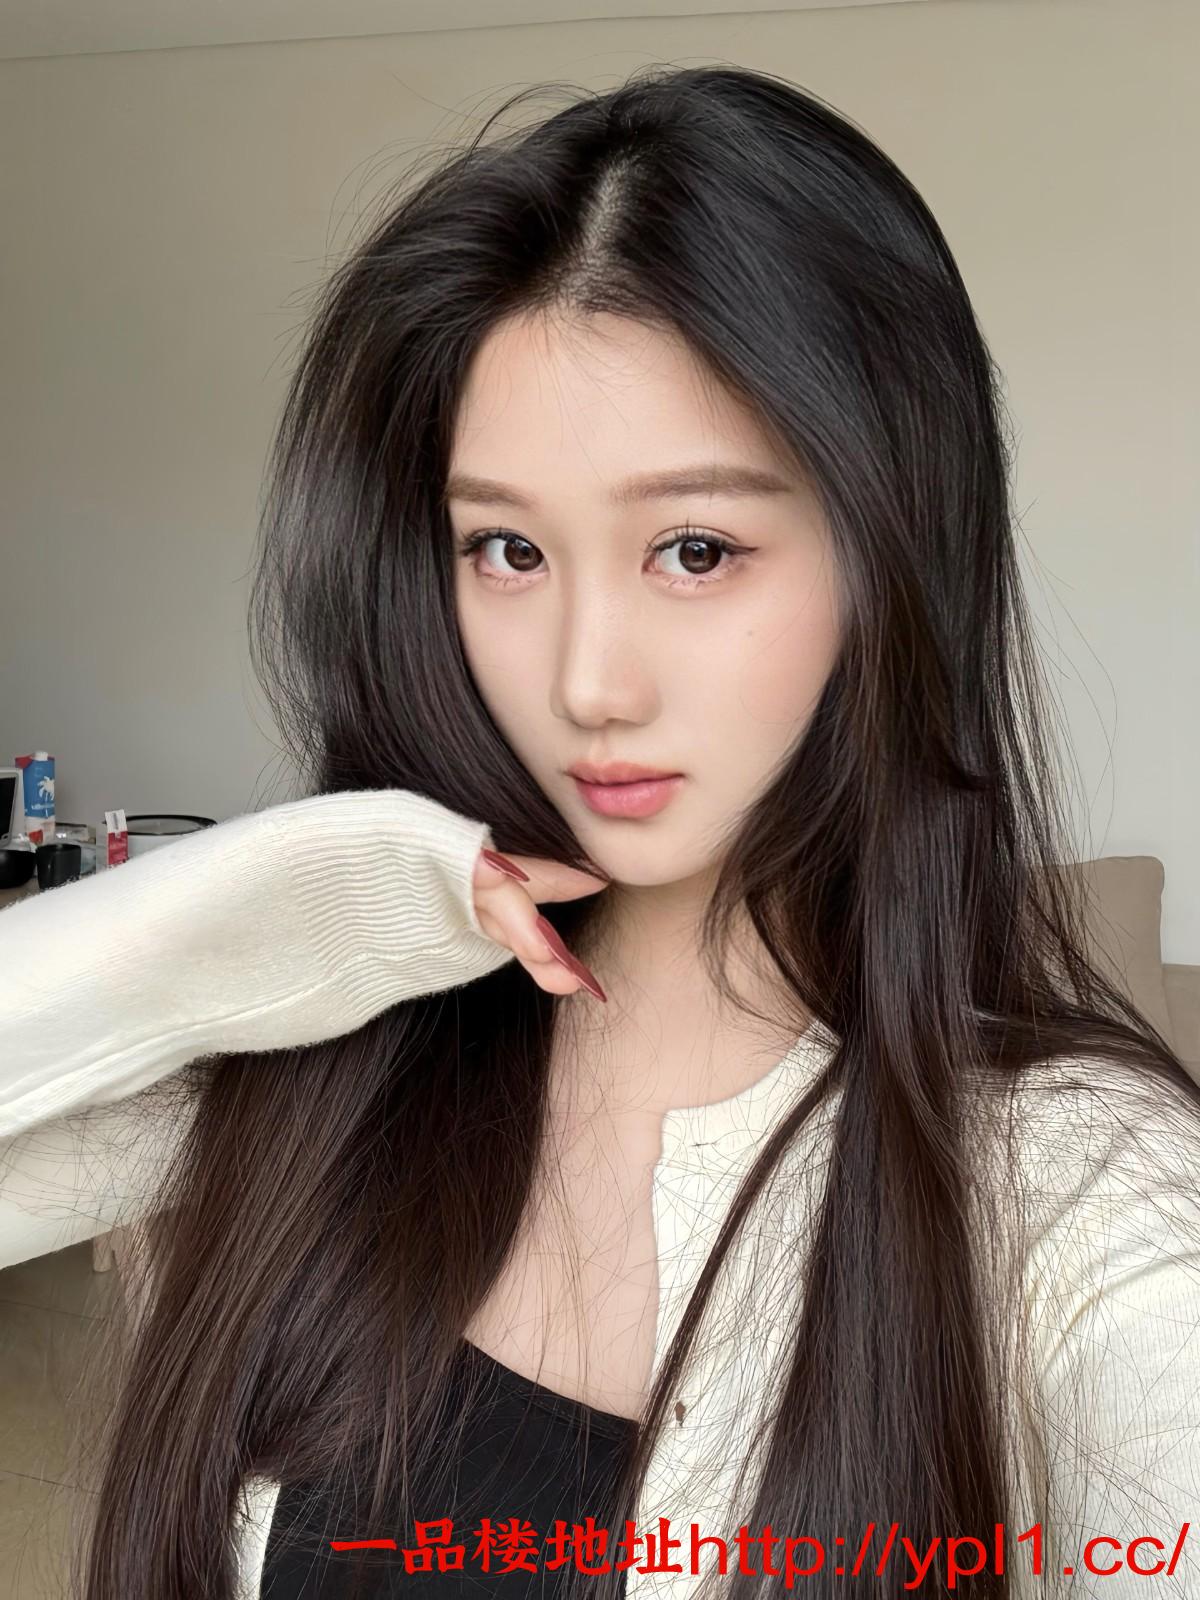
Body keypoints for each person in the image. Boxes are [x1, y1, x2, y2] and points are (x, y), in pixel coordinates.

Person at [1, 61, 1198, 1600]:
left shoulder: (1074, 1204)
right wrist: (295, 908)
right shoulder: (326, 1062)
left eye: (693, 549)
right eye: (506, 550)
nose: (585, 683)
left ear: (889, 552)